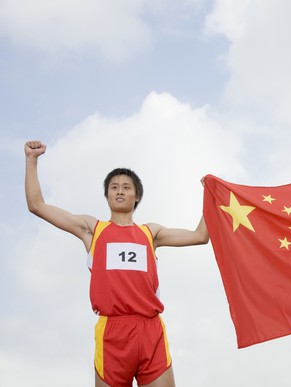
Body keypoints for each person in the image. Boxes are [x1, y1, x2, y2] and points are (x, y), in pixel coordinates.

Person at [24, 141, 209, 387]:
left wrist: (212, 194)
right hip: (112, 332)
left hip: (150, 330)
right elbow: (37, 205)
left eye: (126, 187)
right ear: (107, 195)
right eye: (113, 187)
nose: (119, 191)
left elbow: (200, 236)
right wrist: (31, 160)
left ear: (137, 196)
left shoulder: (150, 233)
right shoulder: (92, 230)